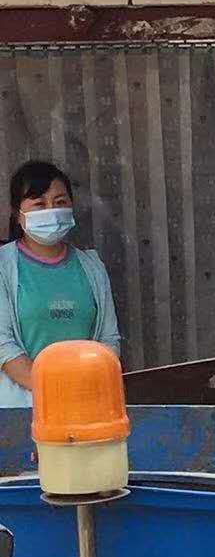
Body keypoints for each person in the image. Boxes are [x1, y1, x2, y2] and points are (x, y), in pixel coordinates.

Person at [0, 160, 121, 407]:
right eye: (39, 204)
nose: (51, 210)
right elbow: (4, 346)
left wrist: (88, 389)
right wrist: (56, 390)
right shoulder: (3, 266)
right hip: (21, 409)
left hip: (86, 404)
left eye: (60, 202)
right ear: (17, 214)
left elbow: (109, 340)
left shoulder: (92, 266)